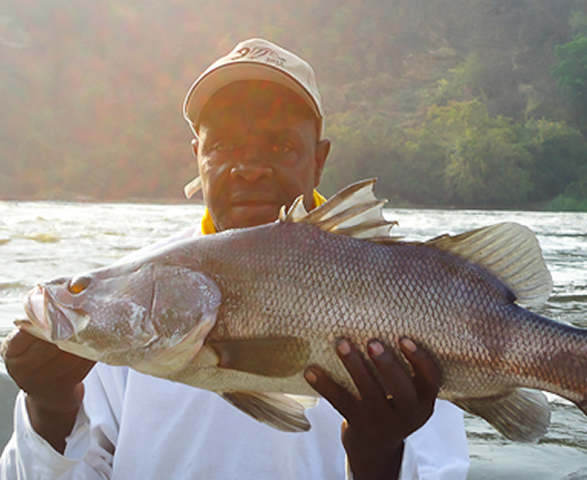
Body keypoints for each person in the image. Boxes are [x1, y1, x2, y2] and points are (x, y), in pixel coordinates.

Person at [0, 38, 470, 479]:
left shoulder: (403, 290)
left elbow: (440, 469)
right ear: (197, 156)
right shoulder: (133, 299)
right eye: (223, 145)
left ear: (319, 159)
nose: (248, 167)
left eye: (281, 146)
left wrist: (378, 457)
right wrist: (50, 407)